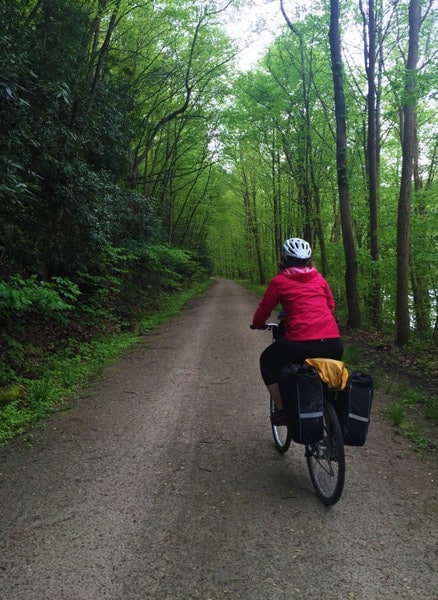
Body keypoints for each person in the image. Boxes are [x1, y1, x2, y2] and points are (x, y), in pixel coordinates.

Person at [250, 237, 343, 425]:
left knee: (267, 362)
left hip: (300, 343)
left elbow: (264, 308)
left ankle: (283, 411)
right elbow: (330, 306)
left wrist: (258, 323)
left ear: (283, 260)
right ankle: (331, 424)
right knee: (326, 379)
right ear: (309, 260)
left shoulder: (279, 281)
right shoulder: (319, 278)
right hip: (334, 343)